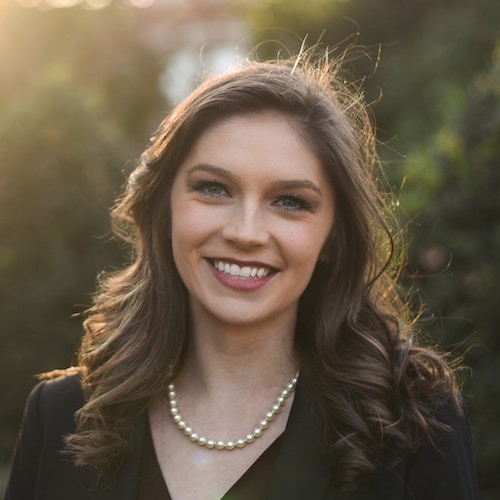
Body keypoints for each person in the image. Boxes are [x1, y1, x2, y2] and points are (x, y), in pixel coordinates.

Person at [5, 52, 479, 500]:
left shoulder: (415, 425)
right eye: (214, 189)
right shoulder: (60, 416)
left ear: (333, 236)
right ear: (164, 208)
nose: (246, 233)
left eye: (290, 201)